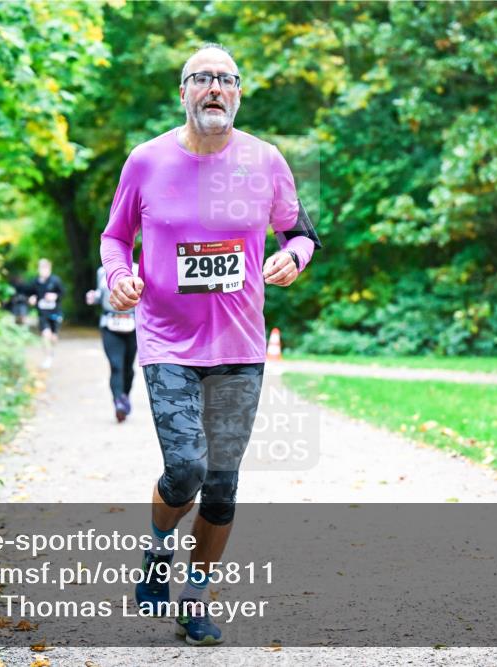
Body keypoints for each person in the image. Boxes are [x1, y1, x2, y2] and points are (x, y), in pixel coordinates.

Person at [100, 42, 321, 646]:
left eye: (226, 79)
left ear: (239, 93)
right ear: (184, 93)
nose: (214, 88)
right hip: (168, 340)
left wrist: (293, 257)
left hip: (241, 345)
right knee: (186, 467)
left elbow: (300, 233)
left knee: (222, 482)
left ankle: (195, 598)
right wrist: (120, 276)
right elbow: (115, 237)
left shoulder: (265, 160)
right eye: (202, 78)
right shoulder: (145, 161)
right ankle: (156, 549)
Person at [85, 263, 139, 423]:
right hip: (109, 324)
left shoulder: (137, 269)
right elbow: (100, 295)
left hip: (133, 324)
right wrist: (93, 297)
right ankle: (118, 403)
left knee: (128, 369)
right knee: (116, 366)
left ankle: (124, 396)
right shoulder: (102, 271)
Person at [28, 258, 64, 368]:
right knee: (45, 335)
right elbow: (30, 294)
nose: (43, 270)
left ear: (49, 269)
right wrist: (31, 299)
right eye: (41, 268)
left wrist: (55, 296)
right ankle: (48, 357)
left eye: (45, 268)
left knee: (53, 338)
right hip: (42, 314)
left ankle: (52, 351)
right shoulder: (35, 282)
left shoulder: (55, 280)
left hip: (55, 313)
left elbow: (63, 293)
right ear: (38, 269)